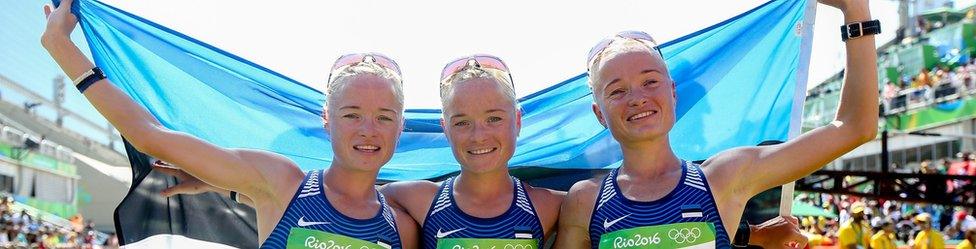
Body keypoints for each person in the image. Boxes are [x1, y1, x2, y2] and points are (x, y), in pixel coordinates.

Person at [40, 0, 417, 247]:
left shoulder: (402, 228)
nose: (368, 129)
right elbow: (151, 136)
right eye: (351, 114)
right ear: (326, 121)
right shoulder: (279, 182)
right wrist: (63, 49)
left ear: (400, 128)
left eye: (384, 117)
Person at [555, 0, 878, 248]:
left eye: (650, 81)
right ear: (599, 114)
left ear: (672, 93)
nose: (637, 98)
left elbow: (855, 126)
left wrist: (855, 9)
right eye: (617, 90)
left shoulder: (726, 176)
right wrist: (747, 235)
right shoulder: (584, 202)